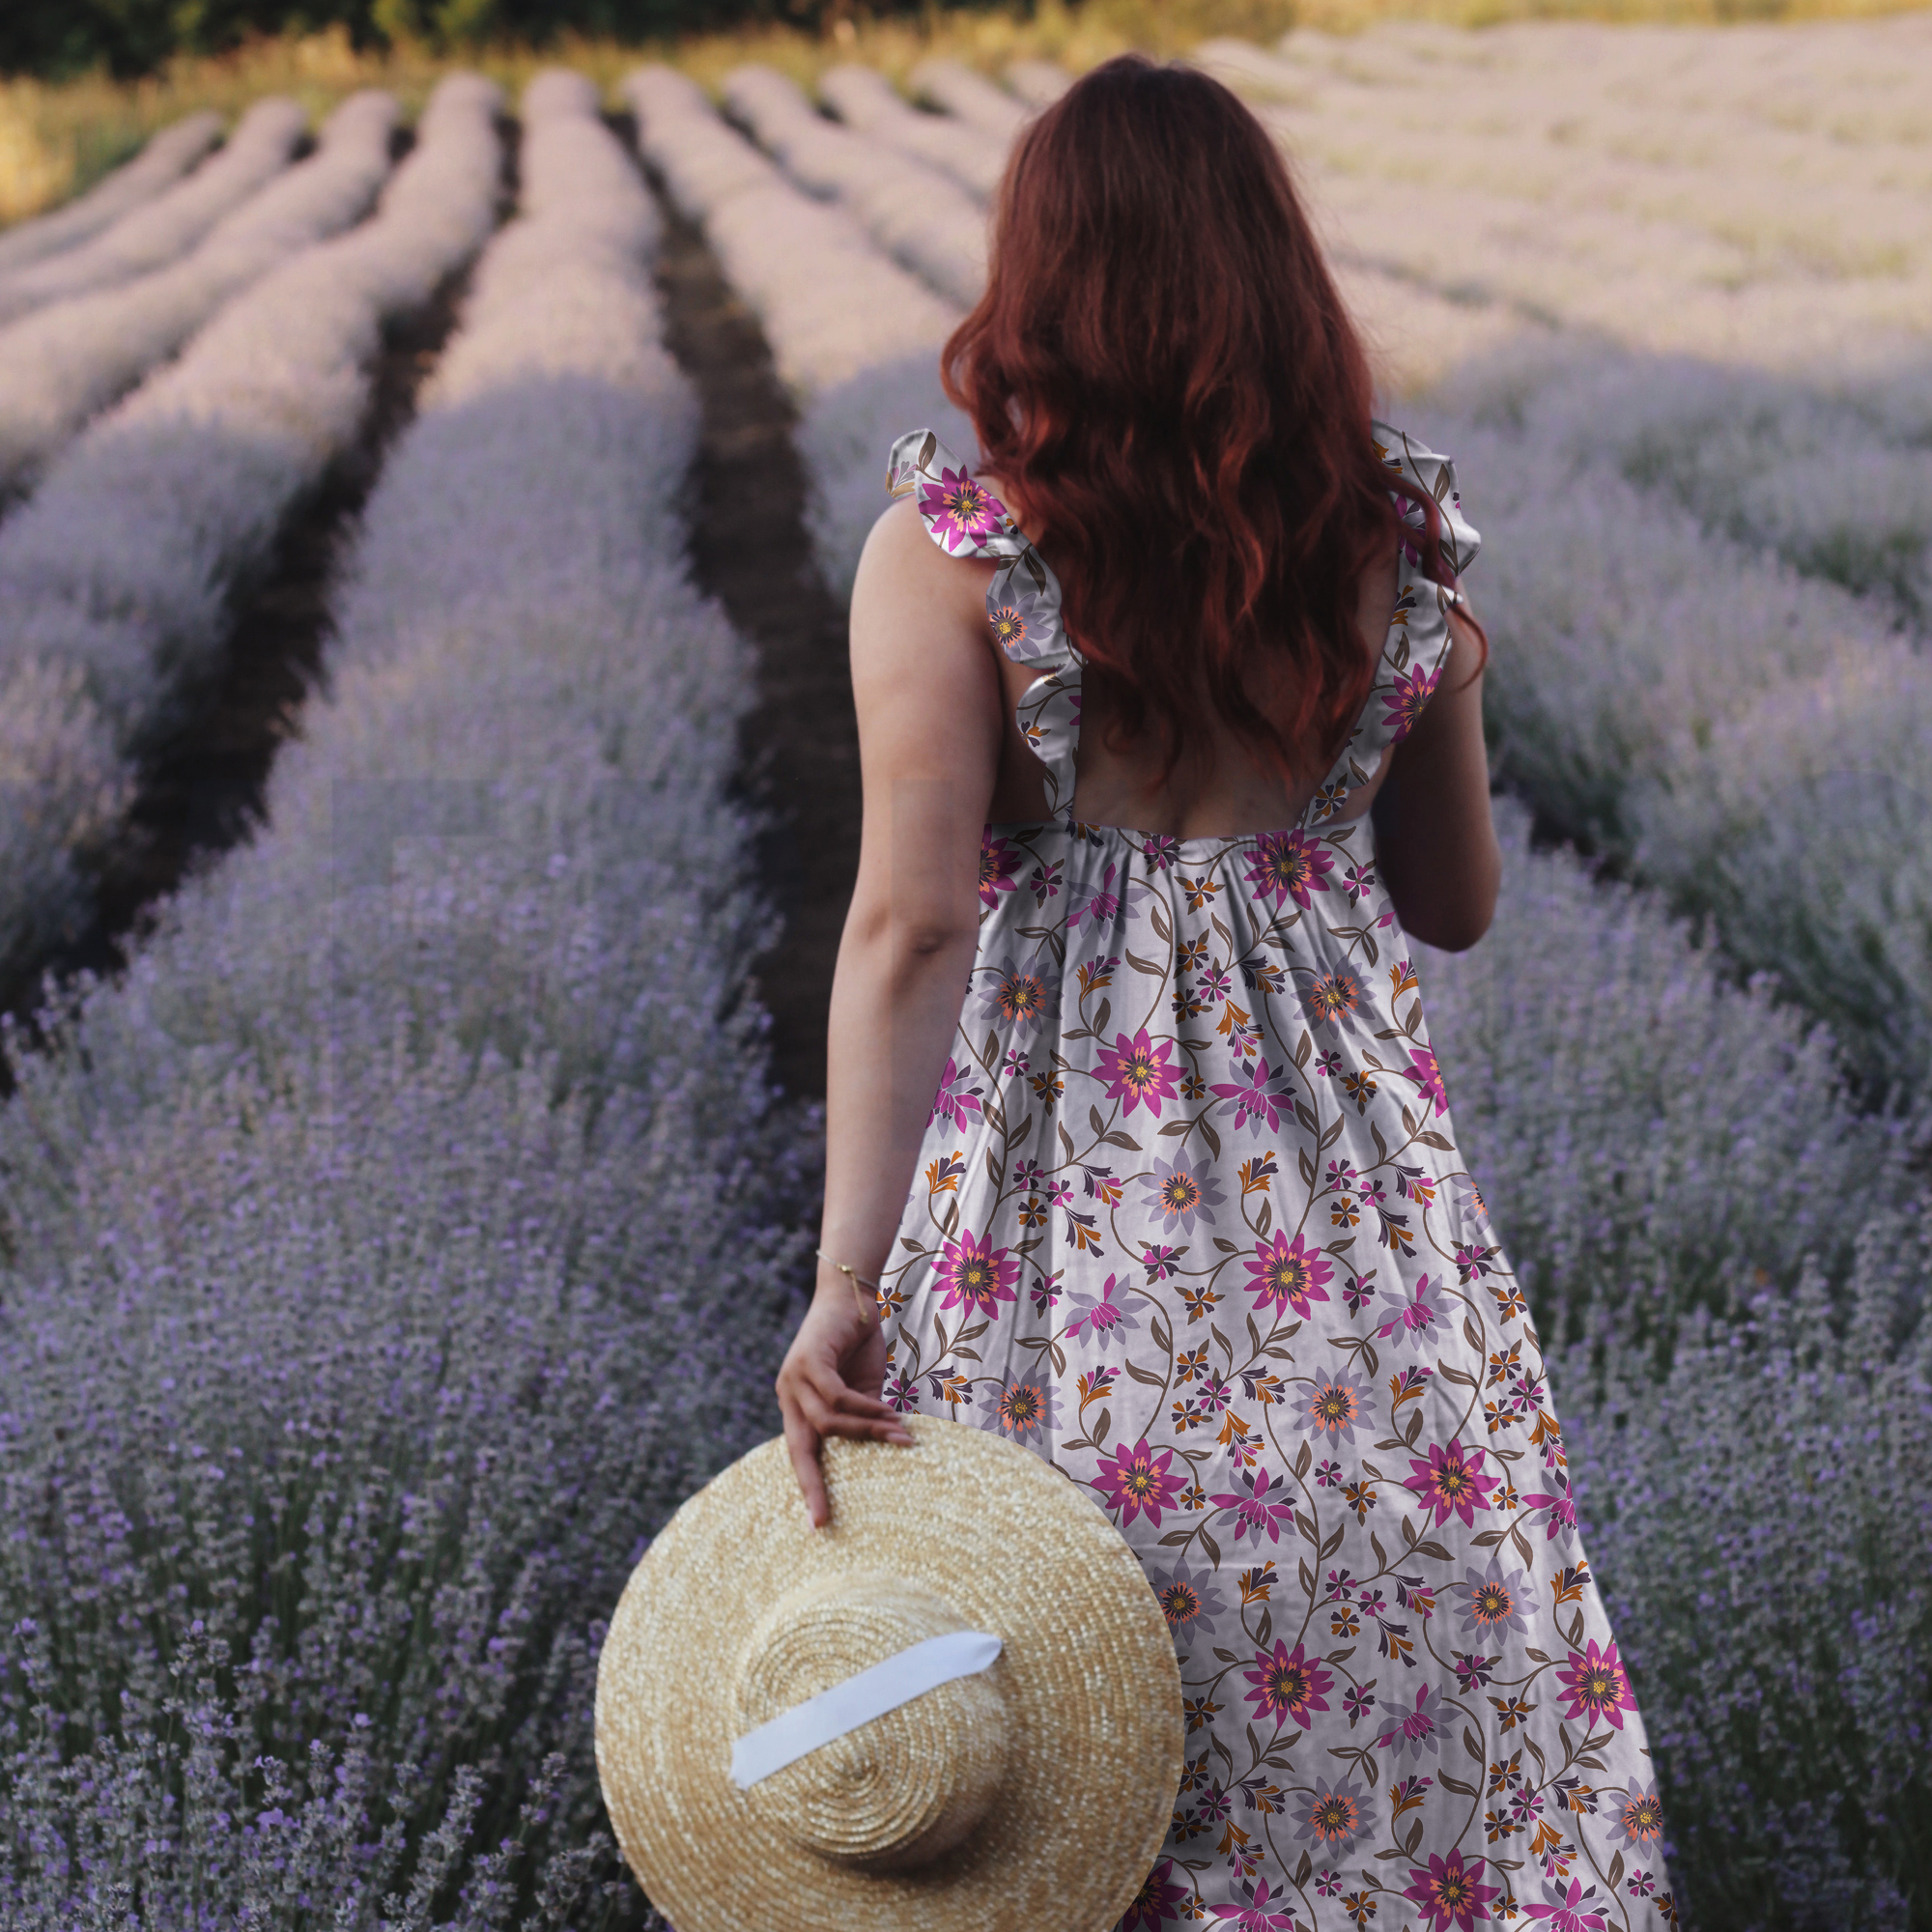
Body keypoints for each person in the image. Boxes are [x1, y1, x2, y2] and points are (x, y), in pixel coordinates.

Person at [778, 52, 1671, 1932]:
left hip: (1065, 1201)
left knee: (1062, 1663)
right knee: (1385, 1625)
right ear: (1277, 288)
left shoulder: (953, 558)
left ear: (1036, 284)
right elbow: (1454, 901)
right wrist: (1397, 704)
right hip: (1342, 1209)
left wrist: (847, 1279)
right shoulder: (1394, 549)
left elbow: (908, 927)